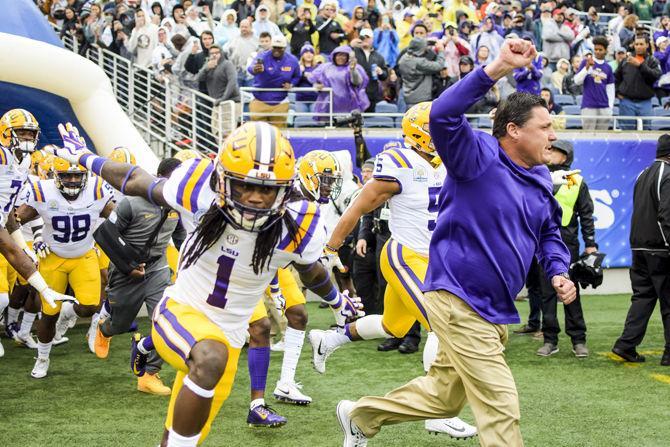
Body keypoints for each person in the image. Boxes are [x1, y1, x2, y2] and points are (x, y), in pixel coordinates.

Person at [52, 121, 363, 447]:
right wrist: (86, 157)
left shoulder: (300, 220)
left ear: (285, 189)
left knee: (178, 437)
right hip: (181, 311)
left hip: (227, 339)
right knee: (210, 356)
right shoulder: (199, 185)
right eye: (244, 186)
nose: (255, 198)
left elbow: (312, 271)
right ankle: (146, 347)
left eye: (267, 189)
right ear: (223, 179)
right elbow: (136, 180)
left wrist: (338, 303)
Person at [334, 38, 576, 447]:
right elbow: (443, 113)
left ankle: (360, 416)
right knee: (501, 407)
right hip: (458, 300)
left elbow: (550, 232)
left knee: (443, 398)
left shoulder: (538, 176)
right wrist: (496, 66)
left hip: (493, 309)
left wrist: (557, 269)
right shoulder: (476, 154)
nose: (553, 135)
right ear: (513, 131)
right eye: (545, 127)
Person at [309, 103, 477, 440]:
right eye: (436, 126)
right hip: (405, 255)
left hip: (435, 259)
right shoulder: (398, 162)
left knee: (392, 325)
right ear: (419, 130)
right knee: (441, 327)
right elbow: (359, 206)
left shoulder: (447, 161)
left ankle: (329, 339)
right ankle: (436, 413)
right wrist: (330, 247)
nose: (445, 131)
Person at [16, 157, 116, 378]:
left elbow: (118, 218)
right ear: (55, 175)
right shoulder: (42, 191)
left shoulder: (96, 190)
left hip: (84, 255)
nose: (72, 180)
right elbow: (16, 219)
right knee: (48, 315)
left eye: (77, 175)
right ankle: (43, 358)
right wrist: (34, 238)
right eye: (66, 175)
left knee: (90, 306)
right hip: (53, 258)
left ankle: (68, 310)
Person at [93, 157, 183, 395]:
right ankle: (105, 329)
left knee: (165, 321)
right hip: (125, 271)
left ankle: (148, 374)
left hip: (158, 270)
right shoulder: (131, 203)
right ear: (158, 178)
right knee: (121, 323)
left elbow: (182, 239)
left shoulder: (178, 205)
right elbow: (105, 235)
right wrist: (128, 266)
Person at [0, 110, 74, 359]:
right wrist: (44, 288)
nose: (27, 138)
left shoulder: (23, 162)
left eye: (31, 133)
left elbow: (9, 214)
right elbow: (9, 249)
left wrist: (24, 246)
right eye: (21, 132)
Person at [534, 140, 597, 358]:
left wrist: (590, 244)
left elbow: (587, 214)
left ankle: (578, 339)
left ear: (566, 156)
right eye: (550, 149)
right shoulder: (538, 176)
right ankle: (550, 339)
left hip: (568, 243)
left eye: (556, 151)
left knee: (571, 292)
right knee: (546, 293)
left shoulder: (577, 181)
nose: (550, 153)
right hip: (542, 242)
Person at [612, 134, 670, 366]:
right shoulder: (667, 176)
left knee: (643, 298)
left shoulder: (642, 175)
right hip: (661, 248)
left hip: (638, 247)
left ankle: (626, 344)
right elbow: (666, 215)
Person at [247, 34, 301, 128]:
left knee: (279, 133)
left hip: (280, 102)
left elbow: (297, 76)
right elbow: (250, 68)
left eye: (280, 48)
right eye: (275, 47)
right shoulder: (262, 56)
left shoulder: (292, 60)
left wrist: (291, 84)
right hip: (260, 100)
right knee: (257, 132)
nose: (277, 50)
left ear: (284, 48)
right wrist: (255, 69)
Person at [310, 45, 370, 121]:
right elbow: (313, 78)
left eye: (343, 55)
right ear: (334, 56)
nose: (340, 58)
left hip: (350, 105)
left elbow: (357, 82)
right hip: (330, 106)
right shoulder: (325, 67)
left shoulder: (356, 67)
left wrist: (353, 70)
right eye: (338, 55)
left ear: (348, 57)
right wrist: (317, 85)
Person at [615, 35, 662, 130]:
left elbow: (656, 75)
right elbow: (616, 78)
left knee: (646, 131)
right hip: (627, 102)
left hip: (645, 102)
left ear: (647, 45)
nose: (639, 46)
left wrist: (640, 66)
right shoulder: (625, 61)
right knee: (626, 132)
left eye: (641, 44)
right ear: (634, 45)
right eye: (636, 44)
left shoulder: (653, 61)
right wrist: (617, 92)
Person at [196, 44, 240, 141]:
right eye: (212, 53)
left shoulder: (227, 64)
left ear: (221, 53)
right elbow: (198, 78)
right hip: (217, 103)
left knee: (226, 133)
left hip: (229, 102)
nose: (214, 55)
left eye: (216, 53)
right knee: (216, 131)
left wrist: (223, 98)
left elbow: (232, 82)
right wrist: (206, 68)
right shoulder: (208, 65)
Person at [575, 36, 615, 130]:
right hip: (589, 105)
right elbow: (577, 81)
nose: (597, 52)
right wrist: (587, 68)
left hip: (604, 107)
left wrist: (610, 107)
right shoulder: (586, 62)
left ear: (605, 50)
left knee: (602, 137)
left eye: (600, 50)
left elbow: (610, 89)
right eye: (596, 49)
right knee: (588, 137)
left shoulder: (608, 67)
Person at [397, 37, 446, 110]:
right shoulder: (419, 63)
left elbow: (416, 47)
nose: (425, 50)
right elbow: (439, 65)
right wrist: (441, 51)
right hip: (420, 100)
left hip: (409, 97)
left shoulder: (403, 59)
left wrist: (427, 42)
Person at [352, 28, 388, 113]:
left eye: (367, 37)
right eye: (362, 37)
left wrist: (381, 72)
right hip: (355, 93)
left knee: (369, 120)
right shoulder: (352, 52)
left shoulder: (378, 56)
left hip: (371, 94)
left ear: (372, 39)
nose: (365, 40)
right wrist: (351, 45)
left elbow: (385, 76)